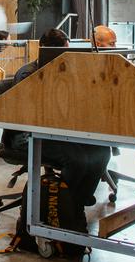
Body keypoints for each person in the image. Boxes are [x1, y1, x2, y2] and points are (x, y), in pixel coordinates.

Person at [13, 28, 111, 206]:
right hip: (28, 135)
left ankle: (77, 200)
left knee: (102, 151)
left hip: (59, 131)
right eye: (64, 52)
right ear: (48, 51)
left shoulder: (65, 73)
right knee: (77, 160)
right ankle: (65, 205)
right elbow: (30, 112)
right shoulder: (28, 74)